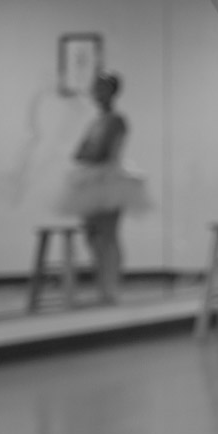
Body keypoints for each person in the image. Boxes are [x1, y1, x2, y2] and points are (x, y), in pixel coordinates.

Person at [60, 72, 148, 306]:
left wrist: (89, 152)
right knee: (93, 236)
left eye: (101, 89)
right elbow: (80, 152)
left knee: (107, 236)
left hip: (108, 181)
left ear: (111, 92)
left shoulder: (115, 120)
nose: (97, 94)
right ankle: (103, 284)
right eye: (95, 89)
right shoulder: (96, 121)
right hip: (94, 181)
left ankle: (111, 287)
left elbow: (98, 152)